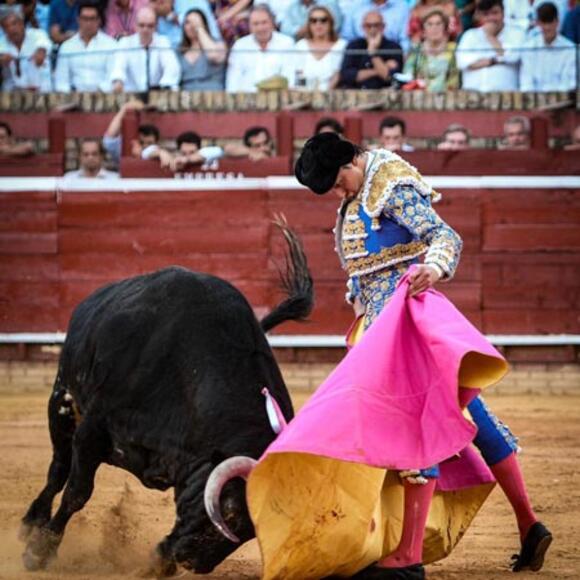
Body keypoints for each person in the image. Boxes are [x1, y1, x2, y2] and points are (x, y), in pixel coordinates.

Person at [294, 131, 553, 578]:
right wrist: (359, 304)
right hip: (385, 327)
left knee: (411, 428)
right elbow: (363, 269)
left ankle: (408, 557)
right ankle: (530, 525)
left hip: (409, 324)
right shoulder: (358, 194)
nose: (338, 193)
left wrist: (433, 267)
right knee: (474, 420)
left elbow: (443, 235)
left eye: (338, 182)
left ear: (352, 161)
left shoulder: (390, 183)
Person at [456, 0, 526, 92]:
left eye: (495, 13)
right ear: (480, 17)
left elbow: (513, 57)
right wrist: (494, 60)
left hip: (507, 97)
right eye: (486, 14)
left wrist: (491, 37)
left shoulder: (517, 34)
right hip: (472, 96)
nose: (491, 18)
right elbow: (462, 62)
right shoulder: (470, 35)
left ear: (503, 13)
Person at [110, 6, 181, 92]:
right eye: (141, 25)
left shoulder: (163, 42)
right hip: (131, 97)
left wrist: (164, 86)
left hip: (156, 96)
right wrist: (118, 81)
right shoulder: (125, 43)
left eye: (150, 26)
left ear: (156, 26)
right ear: (135, 26)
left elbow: (171, 68)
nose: (145, 29)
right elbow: (118, 68)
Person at [226, 4, 295, 93]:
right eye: (255, 24)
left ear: (272, 23)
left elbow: (289, 78)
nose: (260, 28)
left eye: (264, 22)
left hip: (278, 100)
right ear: (249, 26)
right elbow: (232, 82)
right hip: (245, 102)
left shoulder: (287, 43)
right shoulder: (240, 45)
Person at [54, 0, 117, 93]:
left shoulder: (111, 45)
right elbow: (61, 82)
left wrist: (96, 94)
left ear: (99, 20)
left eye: (92, 19)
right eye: (85, 19)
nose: (88, 23)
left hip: (103, 98)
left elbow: (112, 78)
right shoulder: (66, 47)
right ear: (78, 20)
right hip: (72, 100)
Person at [519, 1, 576, 92]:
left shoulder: (571, 49)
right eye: (544, 23)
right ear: (538, 23)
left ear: (557, 22)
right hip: (534, 102)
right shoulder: (529, 48)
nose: (547, 27)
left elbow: (570, 84)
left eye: (550, 22)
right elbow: (526, 83)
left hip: (563, 102)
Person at [339, 10, 403, 89]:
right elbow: (347, 76)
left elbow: (389, 77)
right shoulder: (353, 46)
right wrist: (378, 69)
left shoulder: (394, 47)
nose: (372, 29)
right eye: (368, 26)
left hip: (383, 95)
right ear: (363, 27)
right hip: (355, 94)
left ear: (383, 27)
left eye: (376, 25)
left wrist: (373, 54)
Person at [102, 99, 173, 168]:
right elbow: (110, 138)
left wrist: (161, 153)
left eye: (150, 143)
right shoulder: (123, 150)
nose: (145, 146)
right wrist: (125, 108)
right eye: (141, 142)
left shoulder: (155, 151)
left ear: (156, 143)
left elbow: (149, 152)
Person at [403, 9, 459, 91]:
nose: (434, 28)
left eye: (438, 24)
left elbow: (454, 81)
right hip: (419, 97)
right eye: (429, 24)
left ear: (445, 28)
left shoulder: (453, 49)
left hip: (447, 98)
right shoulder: (416, 50)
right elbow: (407, 75)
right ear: (423, 31)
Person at [292, 5, 346, 90]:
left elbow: (338, 75)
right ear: (309, 24)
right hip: (304, 95)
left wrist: (324, 95)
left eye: (323, 20)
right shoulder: (301, 45)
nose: (318, 24)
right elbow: (298, 74)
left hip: (333, 96)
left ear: (330, 23)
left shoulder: (342, 45)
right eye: (313, 21)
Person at [0, 7, 51, 92]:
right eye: (6, 26)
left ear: (22, 23)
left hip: (41, 91)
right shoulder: (2, 43)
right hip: (12, 94)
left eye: (14, 24)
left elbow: (44, 45)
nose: (11, 29)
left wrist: (41, 51)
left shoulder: (38, 34)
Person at [178, 8, 226, 90]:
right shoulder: (179, 50)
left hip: (213, 98)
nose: (192, 26)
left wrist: (199, 28)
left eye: (196, 22)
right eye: (187, 22)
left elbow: (213, 55)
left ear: (204, 24)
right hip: (186, 98)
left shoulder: (218, 44)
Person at [342, 0, 411, 51]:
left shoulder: (401, 7)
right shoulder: (355, 6)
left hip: (390, 56)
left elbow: (405, 40)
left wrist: (400, 61)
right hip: (359, 57)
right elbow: (347, 38)